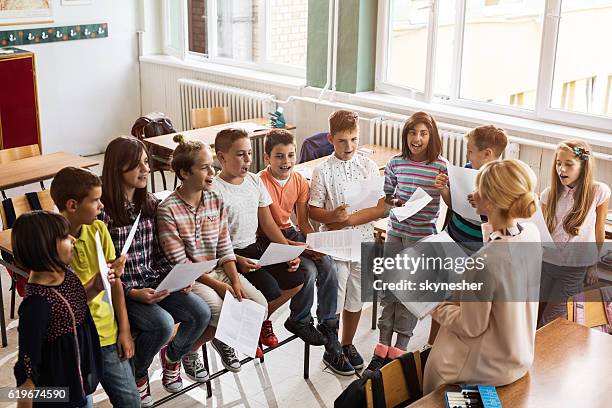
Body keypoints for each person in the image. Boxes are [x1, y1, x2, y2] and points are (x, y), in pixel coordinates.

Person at [100, 136, 211, 405]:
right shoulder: (102, 211)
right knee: (161, 324)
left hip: (153, 282)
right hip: (122, 293)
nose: (146, 169)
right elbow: (102, 273)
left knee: (200, 312)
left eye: (147, 162)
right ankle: (139, 374)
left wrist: (176, 279)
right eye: (136, 165)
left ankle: (172, 358)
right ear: (117, 169)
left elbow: (159, 254)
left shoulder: (148, 203)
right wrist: (133, 292)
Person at [424, 159, 542, 394]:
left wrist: (435, 303)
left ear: (490, 201)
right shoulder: (531, 234)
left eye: (478, 189)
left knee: (433, 365)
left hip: (486, 368)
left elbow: (471, 327)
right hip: (520, 355)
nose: (473, 193)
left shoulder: (483, 262)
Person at [157, 135, 268, 372]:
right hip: (191, 278)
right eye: (205, 167)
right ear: (185, 173)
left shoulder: (215, 198)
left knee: (259, 306)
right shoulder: (167, 210)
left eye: (212, 166)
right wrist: (220, 287)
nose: (212, 172)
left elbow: (224, 245)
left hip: (219, 270)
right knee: (219, 311)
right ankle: (178, 352)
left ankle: (208, 342)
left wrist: (235, 281)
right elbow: (181, 264)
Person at [365, 111, 448, 372]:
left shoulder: (441, 166)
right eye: (413, 133)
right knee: (389, 290)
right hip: (396, 231)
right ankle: (381, 346)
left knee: (408, 294)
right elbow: (387, 197)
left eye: (423, 133)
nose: (417, 138)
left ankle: (399, 349)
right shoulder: (396, 162)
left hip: (421, 236)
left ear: (431, 137)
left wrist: (444, 189)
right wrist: (395, 203)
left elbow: (451, 204)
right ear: (406, 135)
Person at [50, 167, 140, 406]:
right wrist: (97, 283)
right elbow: (63, 302)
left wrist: (124, 329)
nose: (101, 206)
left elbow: (115, 283)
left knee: (131, 401)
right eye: (95, 200)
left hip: (107, 334)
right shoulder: (51, 244)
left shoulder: (98, 229)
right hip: (73, 342)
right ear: (72, 205)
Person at [212, 128, 303, 355]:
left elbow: (268, 222)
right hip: (230, 252)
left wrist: (286, 249)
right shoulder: (214, 189)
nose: (247, 160)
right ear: (221, 157)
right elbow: (212, 239)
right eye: (240, 154)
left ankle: (258, 322)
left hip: (253, 247)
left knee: (297, 279)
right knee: (270, 289)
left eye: (249, 154)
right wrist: (236, 258)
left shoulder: (253, 181)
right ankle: (248, 328)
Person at [309, 110, 386, 375]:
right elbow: (313, 211)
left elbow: (380, 209)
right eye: (342, 141)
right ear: (331, 139)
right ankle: (333, 350)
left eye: (354, 139)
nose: (349, 146)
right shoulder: (323, 171)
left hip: (363, 241)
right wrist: (332, 217)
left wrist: (347, 220)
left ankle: (348, 343)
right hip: (337, 247)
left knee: (356, 300)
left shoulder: (368, 166)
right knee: (336, 301)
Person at [13, 211, 114, 408]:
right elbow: (27, 366)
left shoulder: (66, 273)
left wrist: (96, 286)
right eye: (64, 237)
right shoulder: (36, 305)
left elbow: (73, 305)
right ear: (45, 248)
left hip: (78, 380)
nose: (73, 240)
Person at [258, 129, 340, 350]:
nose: (287, 161)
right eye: (279, 156)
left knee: (328, 263)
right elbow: (266, 228)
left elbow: (302, 223)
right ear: (267, 158)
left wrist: (313, 243)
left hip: (290, 233)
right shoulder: (260, 183)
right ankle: (299, 320)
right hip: (268, 239)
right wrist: (300, 249)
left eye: (291, 155)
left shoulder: (299, 181)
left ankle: (328, 322)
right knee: (309, 271)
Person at [539, 139, 610, 326]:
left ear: (583, 165)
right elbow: (542, 231)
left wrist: (593, 265)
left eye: (569, 164)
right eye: (558, 163)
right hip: (546, 264)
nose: (561, 169)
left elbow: (599, 230)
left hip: (574, 268)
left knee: (553, 318)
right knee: (535, 309)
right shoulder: (548, 194)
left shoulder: (598, 192)